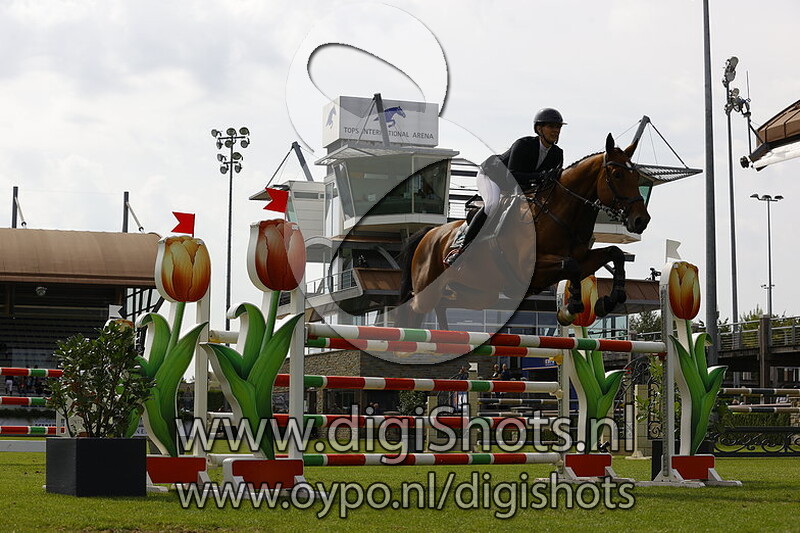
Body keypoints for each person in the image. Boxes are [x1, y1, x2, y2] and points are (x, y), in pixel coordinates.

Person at [445, 107, 566, 265]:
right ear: (539, 129)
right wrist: (541, 176)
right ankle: (461, 249)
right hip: (492, 176)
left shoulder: (557, 154)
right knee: (492, 205)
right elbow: (512, 176)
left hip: (520, 186)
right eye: (551, 126)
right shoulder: (523, 145)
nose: (556, 130)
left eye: (558, 127)